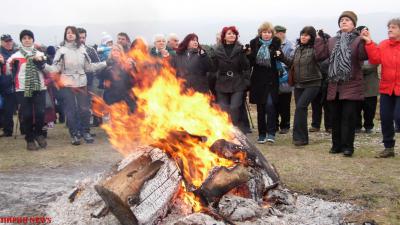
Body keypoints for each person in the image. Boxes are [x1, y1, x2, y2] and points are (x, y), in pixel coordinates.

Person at [315, 11, 368, 157]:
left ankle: (348, 147)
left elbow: (364, 56)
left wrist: (365, 40)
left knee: (348, 117)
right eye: (342, 20)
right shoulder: (332, 40)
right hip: (334, 85)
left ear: (353, 24)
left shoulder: (358, 40)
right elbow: (320, 56)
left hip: (351, 84)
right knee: (335, 117)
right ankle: (336, 145)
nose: (344, 22)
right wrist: (319, 40)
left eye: (347, 20)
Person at [44, 26, 107, 145]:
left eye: (73, 33)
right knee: (71, 111)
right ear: (65, 35)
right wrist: (43, 66)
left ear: (76, 35)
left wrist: (105, 63)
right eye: (68, 33)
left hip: (82, 83)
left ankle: (86, 132)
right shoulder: (61, 50)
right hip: (67, 84)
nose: (70, 34)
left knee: (84, 110)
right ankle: (74, 134)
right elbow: (55, 68)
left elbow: (89, 67)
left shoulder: (82, 49)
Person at [361, 18, 400, 158]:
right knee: (386, 118)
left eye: (394, 27)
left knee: (398, 116)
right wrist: (369, 42)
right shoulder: (383, 45)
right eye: (389, 27)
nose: (390, 29)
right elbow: (375, 60)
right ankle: (388, 148)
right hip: (386, 88)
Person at [6, 30, 47, 150]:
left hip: (39, 87)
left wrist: (41, 62)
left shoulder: (40, 54)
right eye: (24, 38)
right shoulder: (15, 56)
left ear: (33, 40)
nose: (27, 40)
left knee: (40, 113)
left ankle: (39, 133)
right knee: (27, 115)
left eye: (29, 38)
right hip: (22, 88)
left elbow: (46, 69)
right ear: (21, 41)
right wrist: (9, 66)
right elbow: (8, 71)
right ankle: (29, 139)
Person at [286, 26, 323, 146]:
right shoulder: (298, 49)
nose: (303, 37)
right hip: (299, 84)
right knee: (300, 109)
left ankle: (300, 138)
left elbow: (321, 57)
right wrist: (280, 56)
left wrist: (318, 41)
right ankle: (301, 138)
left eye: (307, 35)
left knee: (300, 107)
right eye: (302, 34)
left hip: (313, 83)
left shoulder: (314, 49)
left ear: (311, 37)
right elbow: (291, 63)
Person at [210, 26, 251, 133]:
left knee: (234, 107)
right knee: (223, 108)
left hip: (237, 83)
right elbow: (213, 69)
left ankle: (235, 131)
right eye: (229, 33)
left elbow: (246, 67)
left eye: (234, 33)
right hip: (221, 83)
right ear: (224, 36)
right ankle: (226, 131)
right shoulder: (216, 50)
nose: (232, 35)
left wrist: (246, 82)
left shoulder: (240, 49)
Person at [248, 22, 283, 143]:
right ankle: (262, 134)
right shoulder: (254, 43)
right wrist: (248, 54)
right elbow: (251, 62)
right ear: (260, 33)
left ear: (272, 34)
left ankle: (271, 133)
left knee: (270, 105)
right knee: (261, 108)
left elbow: (280, 57)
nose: (267, 34)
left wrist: (278, 54)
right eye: (264, 32)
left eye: (269, 32)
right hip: (258, 80)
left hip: (271, 80)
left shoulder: (276, 42)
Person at [77, 27, 103, 127]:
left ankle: (91, 124)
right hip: (76, 82)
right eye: (79, 37)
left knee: (90, 103)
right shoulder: (69, 51)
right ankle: (80, 127)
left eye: (83, 37)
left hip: (90, 81)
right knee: (79, 105)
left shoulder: (90, 50)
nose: (82, 40)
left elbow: (98, 65)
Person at [100, 44, 136, 111]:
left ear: (121, 52)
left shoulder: (127, 62)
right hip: (111, 96)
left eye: (118, 50)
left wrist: (131, 68)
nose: (116, 52)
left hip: (124, 95)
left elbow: (132, 79)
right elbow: (102, 79)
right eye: (114, 50)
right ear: (111, 52)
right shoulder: (106, 63)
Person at [310, 30, 332, 133]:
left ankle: (329, 126)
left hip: (327, 80)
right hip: (316, 80)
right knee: (315, 104)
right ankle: (316, 125)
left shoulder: (330, 52)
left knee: (327, 105)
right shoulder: (313, 51)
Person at [274, 25, 295, 134]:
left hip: (285, 77)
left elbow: (292, 60)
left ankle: (285, 125)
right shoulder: (272, 44)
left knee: (285, 103)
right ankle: (275, 125)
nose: (276, 35)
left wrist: (281, 63)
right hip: (273, 78)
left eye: (277, 33)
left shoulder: (290, 45)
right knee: (274, 103)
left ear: (282, 33)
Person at [0, 34, 18, 137]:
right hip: (5, 84)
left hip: (18, 83)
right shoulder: (1, 53)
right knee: (8, 109)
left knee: (23, 108)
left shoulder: (16, 52)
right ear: (2, 42)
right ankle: (8, 130)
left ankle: (25, 128)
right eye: (6, 41)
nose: (8, 43)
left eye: (10, 41)